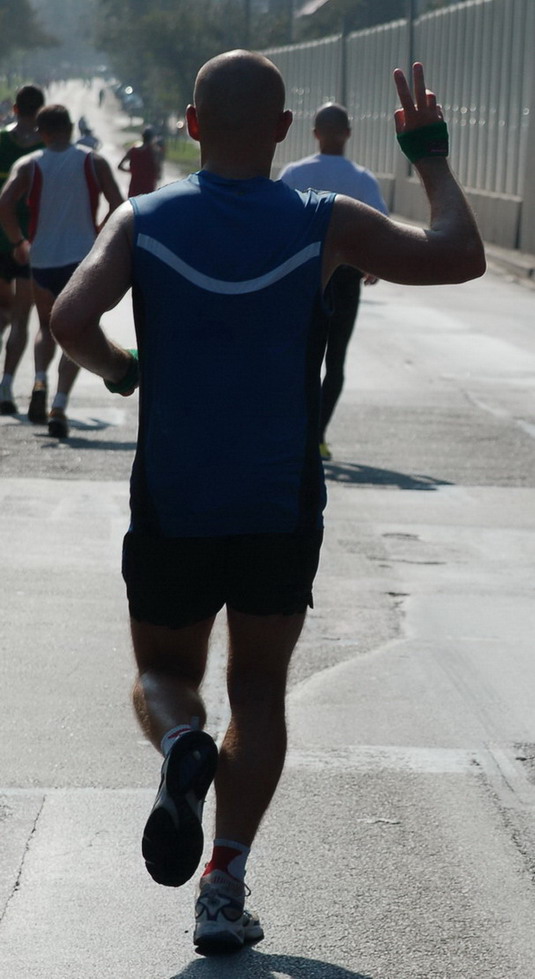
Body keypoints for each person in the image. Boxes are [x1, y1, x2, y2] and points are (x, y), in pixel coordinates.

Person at [50, 52, 484, 953]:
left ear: (192, 125)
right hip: (278, 499)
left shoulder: (143, 218)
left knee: (165, 674)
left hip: (174, 494)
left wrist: (121, 370)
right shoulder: (324, 219)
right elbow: (457, 255)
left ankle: (181, 742)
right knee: (257, 689)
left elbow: (69, 320)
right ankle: (223, 884)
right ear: (284, 130)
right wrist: (430, 157)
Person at [0, 104, 123, 437]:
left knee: (45, 326)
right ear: (70, 128)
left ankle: (39, 380)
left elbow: (5, 203)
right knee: (78, 330)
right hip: (82, 260)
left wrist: (18, 242)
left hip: (42, 258)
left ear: (41, 133)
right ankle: (59, 404)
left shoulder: (29, 164)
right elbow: (118, 203)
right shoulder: (93, 161)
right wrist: (101, 233)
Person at [280, 103, 389, 460]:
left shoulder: (294, 173)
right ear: (347, 134)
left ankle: (295, 431)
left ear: (315, 133)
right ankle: (318, 435)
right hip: (345, 277)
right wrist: (373, 264)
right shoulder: (362, 179)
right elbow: (380, 228)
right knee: (335, 360)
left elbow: (276, 225)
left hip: (302, 275)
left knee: (300, 357)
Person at [0, 84, 45, 415]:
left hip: (1, 239)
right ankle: (6, 387)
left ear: (15, 108)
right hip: (32, 242)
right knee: (20, 318)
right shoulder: (46, 148)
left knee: (2, 313)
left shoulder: (2, 140)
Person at [118, 125, 161, 196]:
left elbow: (120, 166)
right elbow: (158, 171)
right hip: (148, 189)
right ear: (152, 138)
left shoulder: (133, 150)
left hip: (134, 188)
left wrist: (131, 171)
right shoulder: (154, 152)